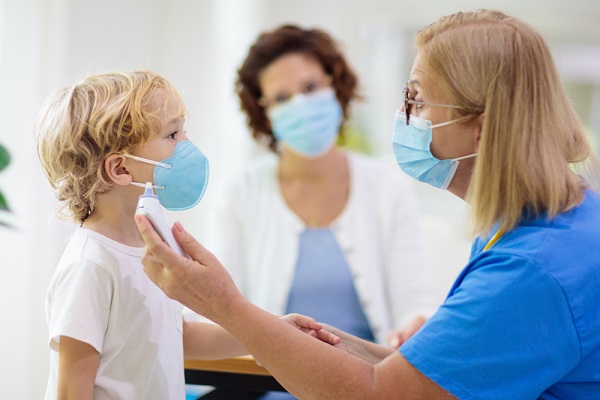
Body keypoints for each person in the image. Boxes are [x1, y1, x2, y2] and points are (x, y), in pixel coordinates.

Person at [136, 9, 600, 399]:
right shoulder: (533, 224)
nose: (407, 116)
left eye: (417, 100)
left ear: (480, 127)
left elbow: (381, 393)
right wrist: (324, 341)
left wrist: (225, 305)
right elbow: (420, 370)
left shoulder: (532, 268)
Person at [35, 71, 337, 400]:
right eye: (173, 135)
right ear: (120, 169)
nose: (187, 146)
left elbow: (180, 336)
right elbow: (70, 391)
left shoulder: (154, 243)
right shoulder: (91, 266)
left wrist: (273, 332)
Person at [206, 24, 437, 350]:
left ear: (335, 86)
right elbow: (218, 311)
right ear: (265, 113)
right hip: (262, 383)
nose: (300, 105)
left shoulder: (387, 186)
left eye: (311, 87)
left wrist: (417, 325)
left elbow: (414, 303)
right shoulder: (240, 191)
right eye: (282, 97)